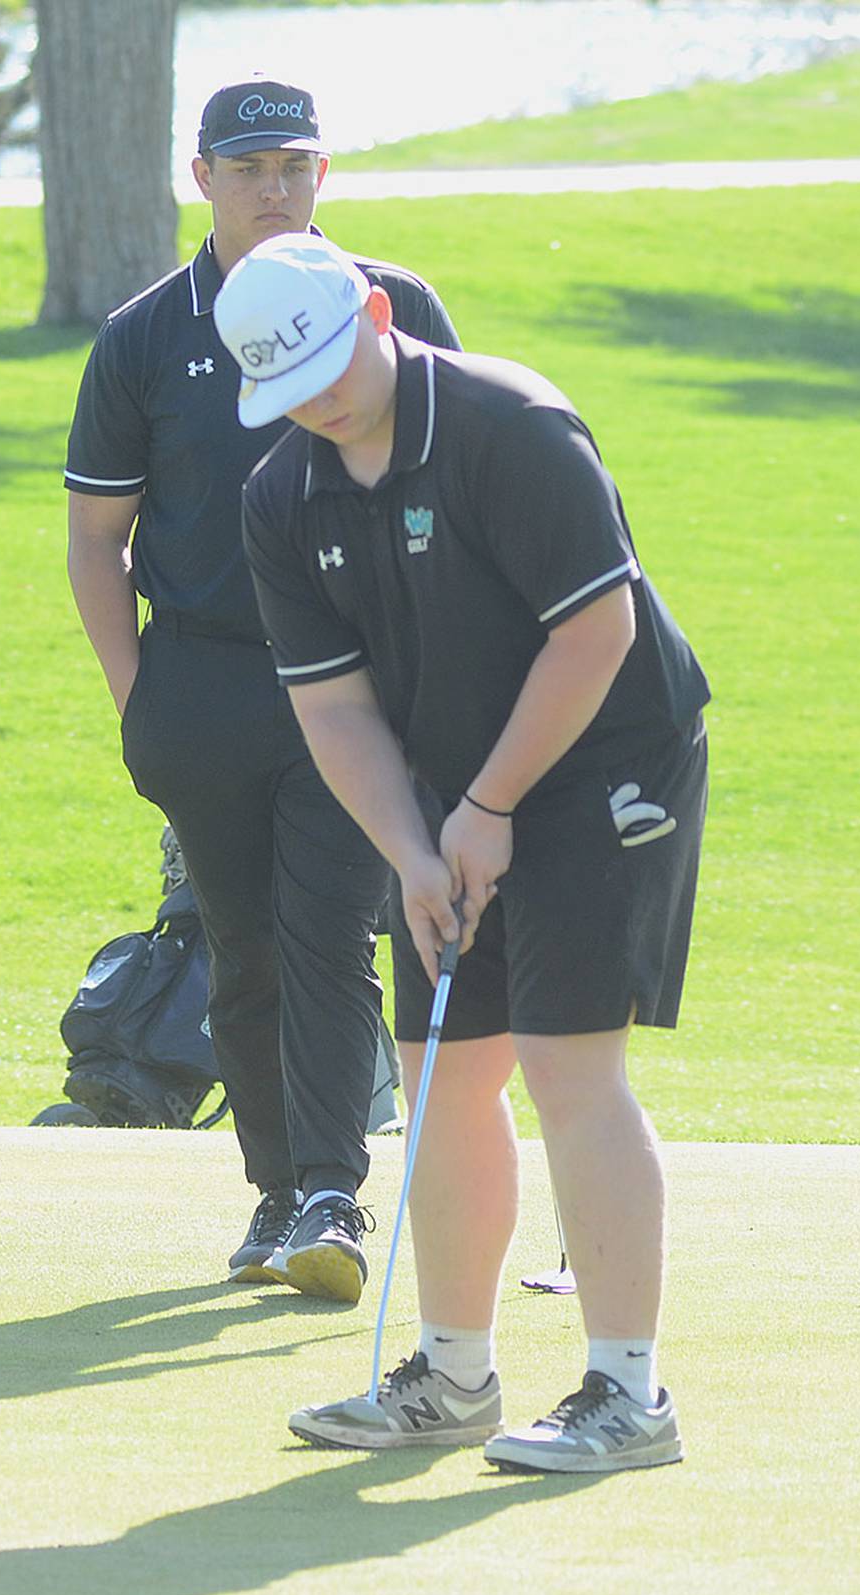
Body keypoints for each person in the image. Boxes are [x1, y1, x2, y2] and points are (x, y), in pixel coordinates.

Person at [214, 233, 711, 1473]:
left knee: (562, 1061)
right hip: (447, 790)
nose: (322, 398)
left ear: (377, 309)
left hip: (609, 755)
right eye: (292, 386)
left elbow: (597, 632)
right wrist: (411, 849)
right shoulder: (283, 495)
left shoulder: (511, 422)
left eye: (334, 359)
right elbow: (333, 707)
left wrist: (485, 807)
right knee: (441, 1067)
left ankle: (627, 1393)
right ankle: (453, 1373)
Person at [63, 78, 462, 1303]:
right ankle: (278, 1189)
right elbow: (97, 539)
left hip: (358, 687)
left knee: (330, 929)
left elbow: (449, 497)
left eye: (294, 163)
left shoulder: (391, 305)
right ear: (203, 180)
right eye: (248, 167)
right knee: (237, 948)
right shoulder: (142, 333)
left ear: (324, 172)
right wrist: (144, 702)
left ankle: (333, 1189)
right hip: (205, 682)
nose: (273, 187)